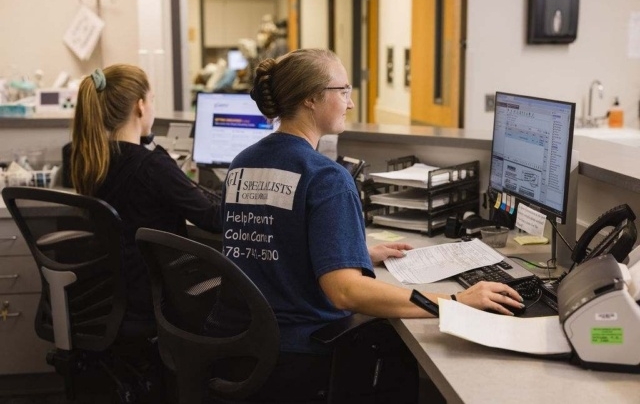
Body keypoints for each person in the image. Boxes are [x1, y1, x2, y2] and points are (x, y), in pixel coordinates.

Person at [206, 49, 524, 402]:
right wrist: (453, 301)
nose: (351, 103)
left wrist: (350, 253)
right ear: (312, 98)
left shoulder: (243, 162)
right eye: (343, 91)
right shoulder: (326, 178)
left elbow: (266, 242)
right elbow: (347, 293)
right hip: (296, 355)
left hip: (234, 348)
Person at [70, 64, 222, 324]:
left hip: (113, 292)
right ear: (140, 106)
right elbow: (213, 219)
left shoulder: (92, 161)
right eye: (152, 100)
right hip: (156, 295)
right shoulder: (152, 166)